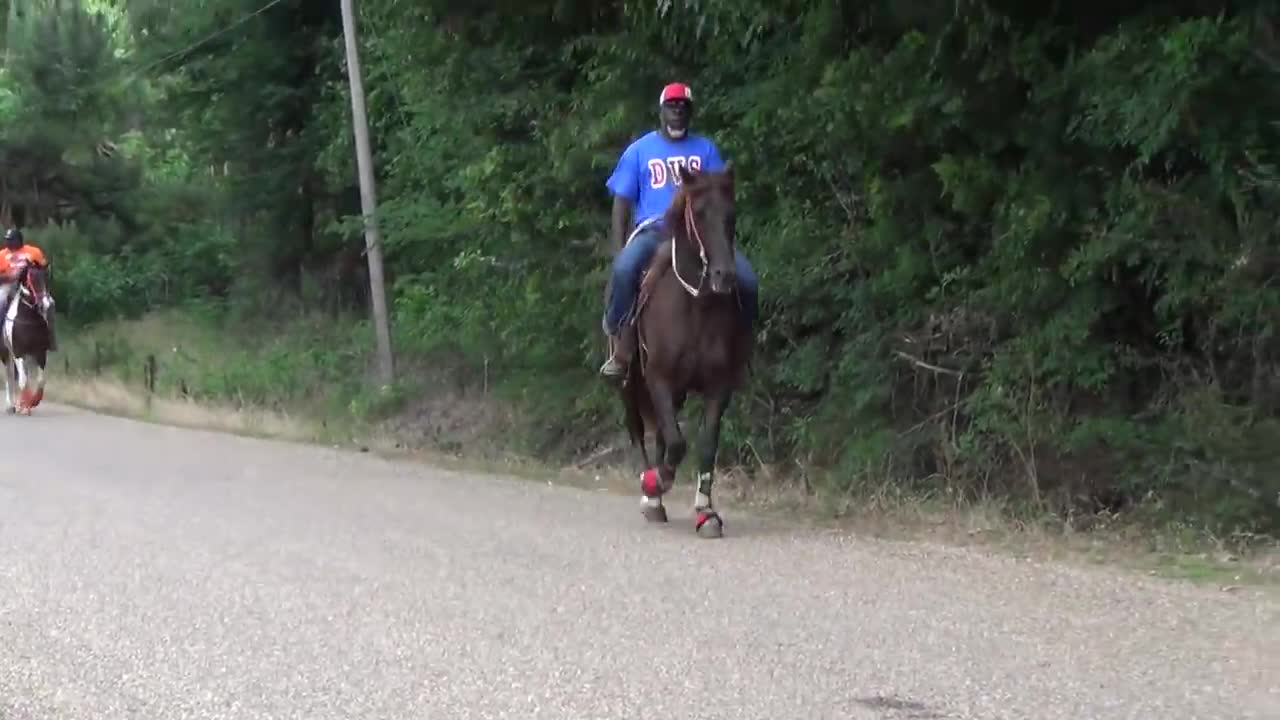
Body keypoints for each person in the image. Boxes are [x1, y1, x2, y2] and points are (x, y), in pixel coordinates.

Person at [599, 81, 759, 379]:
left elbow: (719, 196)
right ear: (661, 111)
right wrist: (619, 247)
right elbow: (622, 201)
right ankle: (620, 343)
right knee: (624, 270)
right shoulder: (639, 151)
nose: (677, 112)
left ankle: (743, 349)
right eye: (671, 106)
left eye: (683, 107)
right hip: (654, 231)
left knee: (748, 280)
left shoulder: (706, 149)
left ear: (690, 112)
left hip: (700, 235)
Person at [0, 228, 57, 351]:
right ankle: (1, 339)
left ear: (19, 240)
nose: (9, 243)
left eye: (11, 240)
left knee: (50, 304)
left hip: (32, 285)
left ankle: (50, 336)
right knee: (0, 302)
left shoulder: (33, 251)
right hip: (10, 285)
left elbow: (43, 269)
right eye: (7, 240)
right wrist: (10, 276)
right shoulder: (2, 255)